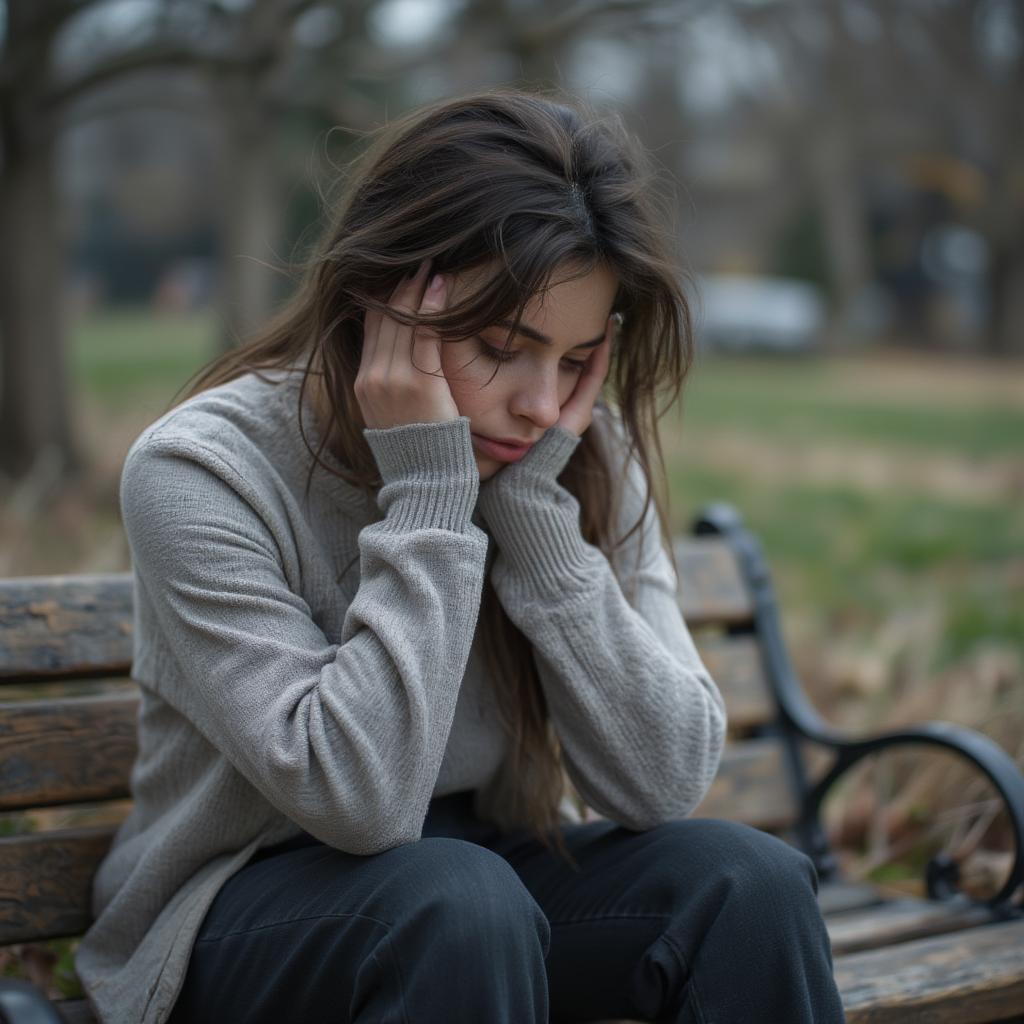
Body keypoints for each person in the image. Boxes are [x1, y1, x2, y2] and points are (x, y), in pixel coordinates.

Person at [75, 88, 846, 1024]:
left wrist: (533, 522)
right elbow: (358, 802)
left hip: (487, 886)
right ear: (379, 301)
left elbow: (664, 777)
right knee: (453, 901)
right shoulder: (204, 469)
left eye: (572, 361)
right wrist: (433, 491)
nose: (540, 402)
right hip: (243, 914)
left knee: (749, 884)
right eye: (499, 346)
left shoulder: (575, 455)